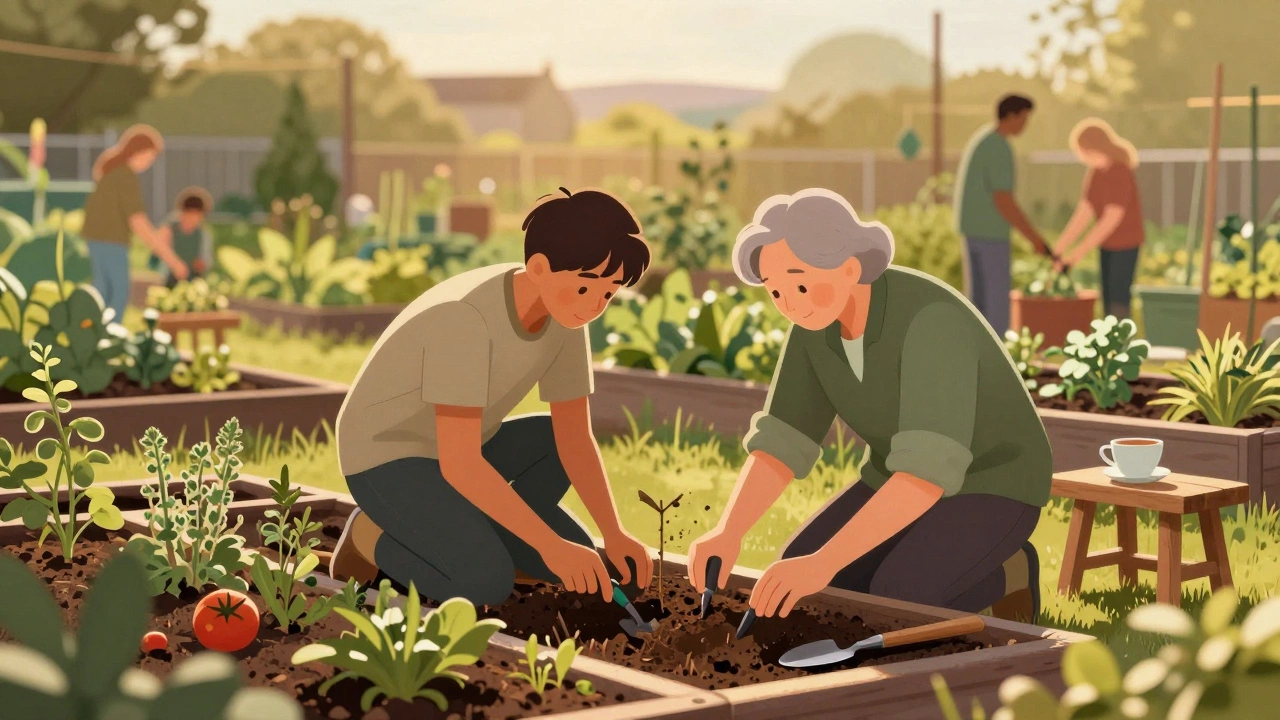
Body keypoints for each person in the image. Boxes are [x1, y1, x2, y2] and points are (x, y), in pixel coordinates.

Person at [687, 188, 1051, 623]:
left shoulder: (932, 322)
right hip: (895, 476)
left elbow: (926, 472)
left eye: (801, 283)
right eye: (776, 291)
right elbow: (784, 439)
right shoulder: (812, 327)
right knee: (800, 579)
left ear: (850, 267)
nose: (791, 304)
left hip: (993, 482)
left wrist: (826, 562)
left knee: (900, 594)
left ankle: (1010, 572)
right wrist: (729, 532)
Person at [329, 187, 655, 606]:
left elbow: (573, 437)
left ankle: (488, 528)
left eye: (607, 294)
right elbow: (460, 465)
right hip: (387, 456)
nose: (593, 306)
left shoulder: (567, 316)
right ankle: (367, 536)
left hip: (464, 448)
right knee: (484, 584)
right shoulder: (465, 319)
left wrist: (613, 533)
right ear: (538, 267)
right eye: (584, 289)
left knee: (590, 557)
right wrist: (551, 546)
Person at [954, 94, 1052, 334]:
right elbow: (1003, 200)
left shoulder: (983, 139)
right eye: (1023, 118)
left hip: (972, 230)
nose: (1025, 125)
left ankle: (977, 359)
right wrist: (1035, 239)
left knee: (977, 303)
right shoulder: (999, 147)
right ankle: (998, 361)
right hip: (990, 234)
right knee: (996, 304)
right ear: (1010, 116)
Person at [80, 125, 188, 320]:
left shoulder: (113, 173)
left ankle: (90, 337)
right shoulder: (125, 176)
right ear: (138, 151)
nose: (150, 161)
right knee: (118, 291)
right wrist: (172, 260)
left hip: (96, 238)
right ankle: (109, 338)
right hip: (111, 240)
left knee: (102, 290)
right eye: (150, 156)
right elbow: (139, 222)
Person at [1053, 118, 1145, 319]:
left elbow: (1110, 220)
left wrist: (1076, 254)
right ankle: (1111, 343)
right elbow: (1084, 213)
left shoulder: (1119, 171)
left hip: (1126, 244)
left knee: (1118, 297)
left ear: (1090, 148)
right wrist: (1059, 249)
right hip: (1108, 245)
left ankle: (1121, 344)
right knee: (1108, 296)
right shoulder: (1096, 173)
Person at [151, 187, 215, 288]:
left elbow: (206, 260)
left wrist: (200, 264)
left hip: (193, 280)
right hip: (169, 278)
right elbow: (156, 249)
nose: (192, 220)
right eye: (189, 215)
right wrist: (174, 263)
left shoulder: (203, 234)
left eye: (196, 216)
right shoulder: (170, 227)